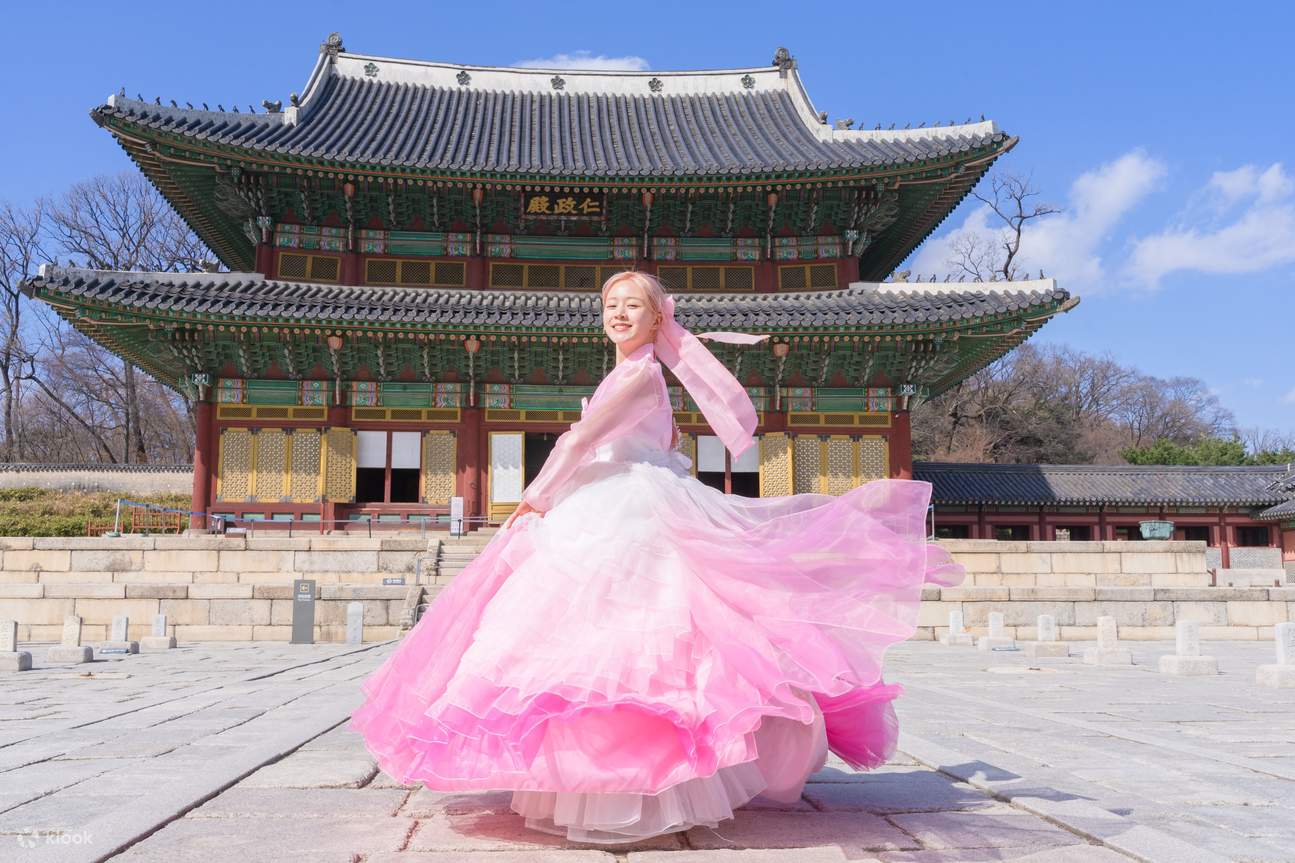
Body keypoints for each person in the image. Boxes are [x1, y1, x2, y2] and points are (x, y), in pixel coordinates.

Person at [348, 271, 964, 844]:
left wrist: (534, 500)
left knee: (630, 647)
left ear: (657, 317)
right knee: (607, 645)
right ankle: (611, 776)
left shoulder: (640, 375)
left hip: (625, 510)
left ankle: (634, 781)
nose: (619, 315)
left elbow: (582, 440)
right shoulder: (628, 375)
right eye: (611, 306)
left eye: (632, 306)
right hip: (615, 502)